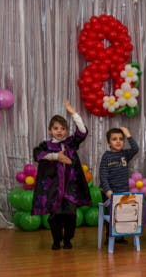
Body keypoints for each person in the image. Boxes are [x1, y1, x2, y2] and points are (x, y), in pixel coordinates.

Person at [31, 99, 91, 250]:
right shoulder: (46, 145)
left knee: (71, 215)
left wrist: (74, 113)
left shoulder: (70, 143)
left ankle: (68, 239)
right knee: (55, 217)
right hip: (53, 188)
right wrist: (55, 156)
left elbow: (82, 132)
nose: (59, 131)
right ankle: (56, 240)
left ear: (66, 131)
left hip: (70, 187)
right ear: (50, 130)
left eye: (63, 128)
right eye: (56, 128)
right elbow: (38, 155)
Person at [99, 126, 139, 200]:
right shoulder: (106, 156)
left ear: (124, 142)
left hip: (123, 192)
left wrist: (128, 135)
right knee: (111, 211)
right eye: (114, 139)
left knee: (123, 210)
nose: (118, 141)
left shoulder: (125, 154)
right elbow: (103, 176)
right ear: (109, 143)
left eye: (121, 139)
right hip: (110, 193)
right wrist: (108, 191)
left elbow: (135, 149)